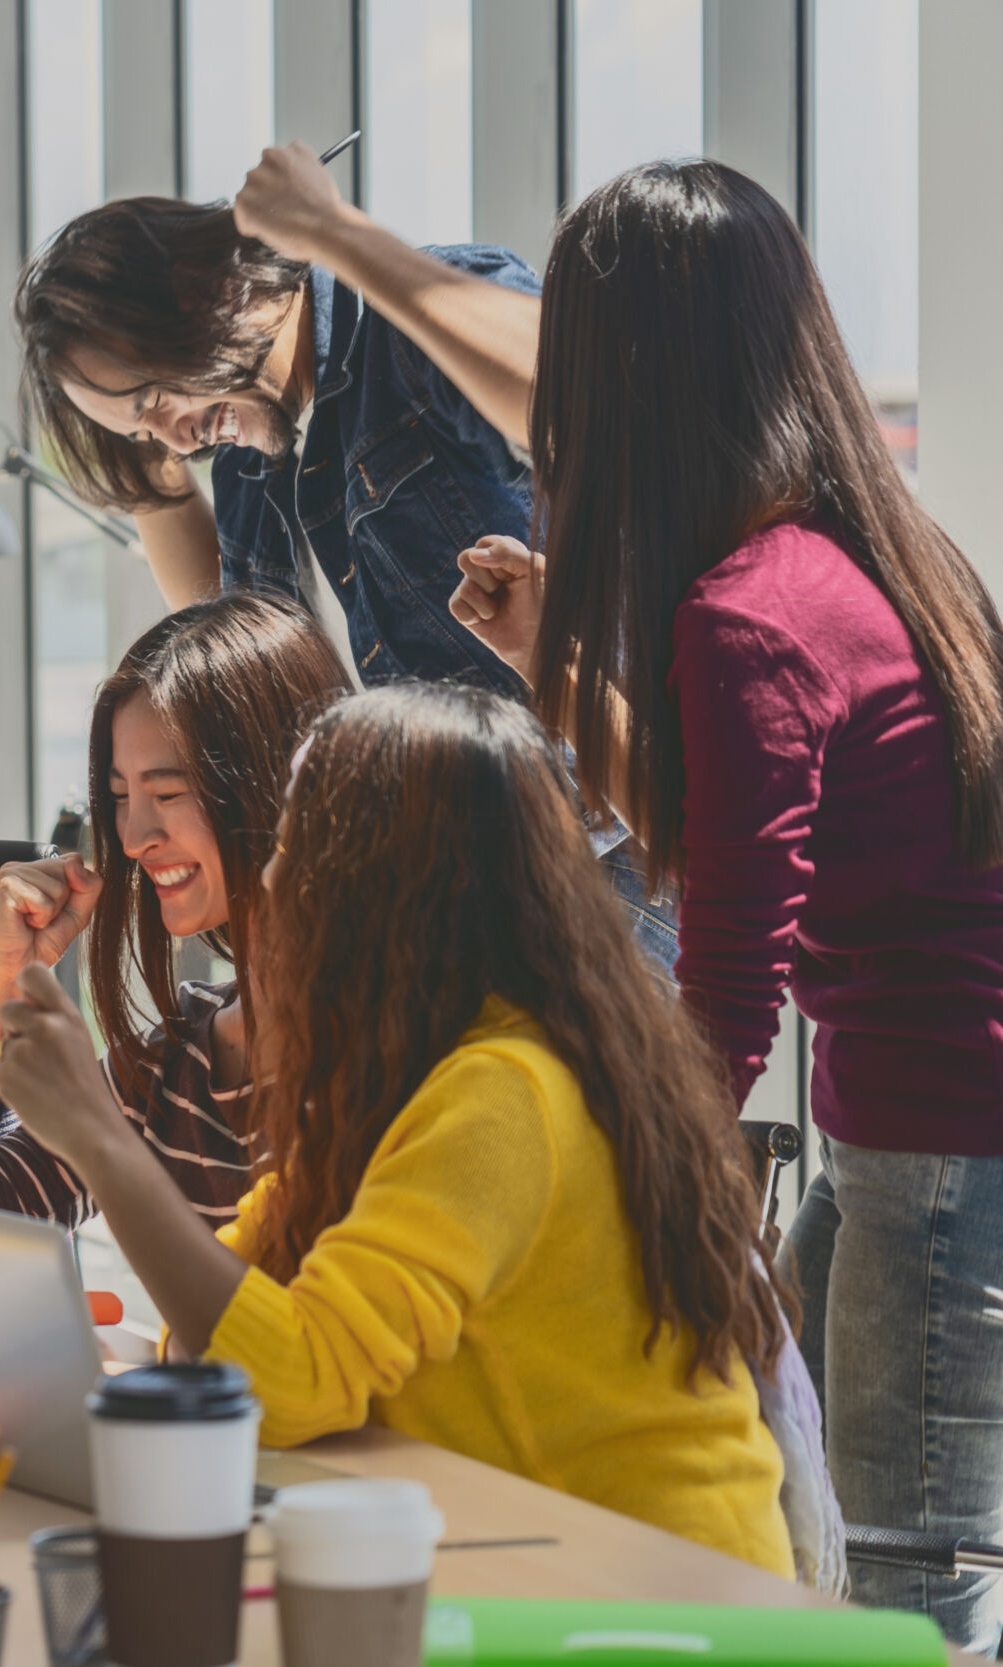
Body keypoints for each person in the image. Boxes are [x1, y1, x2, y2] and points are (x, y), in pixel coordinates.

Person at [449, 161, 1003, 1646]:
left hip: (934, 1145)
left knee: (904, 1581)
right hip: (919, 1125)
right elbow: (730, 857)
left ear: (626, 380)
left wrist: (628, 1202)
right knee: (797, 1514)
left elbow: (728, 983)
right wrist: (547, 661)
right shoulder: (864, 552)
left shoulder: (749, 609)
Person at [0, 683, 795, 1576]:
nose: (274, 878)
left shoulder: (509, 1091)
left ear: (380, 883)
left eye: (298, 847)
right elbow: (228, 1336)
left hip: (656, 1601)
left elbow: (287, 1378)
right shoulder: (409, 1078)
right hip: (530, 1563)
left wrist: (101, 1138)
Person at [16, 144, 538, 692]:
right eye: (147, 434)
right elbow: (233, 664)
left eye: (153, 401)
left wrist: (330, 229)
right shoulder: (246, 475)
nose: (180, 442)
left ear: (202, 291)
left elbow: (573, 397)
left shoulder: (410, 341)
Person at [0, 593, 350, 1224]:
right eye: (118, 796)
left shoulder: (395, 1047)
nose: (135, 835)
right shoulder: (172, 1067)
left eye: (168, 791)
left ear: (283, 779)